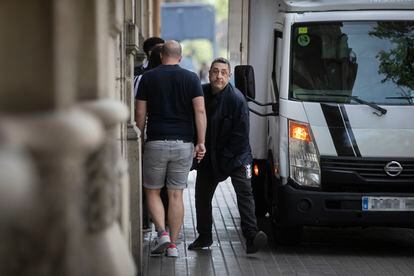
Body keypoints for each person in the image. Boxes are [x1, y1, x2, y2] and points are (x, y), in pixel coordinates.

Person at [188, 57, 268, 254]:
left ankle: (251, 236)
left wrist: (222, 162)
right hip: (209, 156)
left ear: (229, 76)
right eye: (215, 71)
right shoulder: (202, 93)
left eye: (223, 72)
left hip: (236, 157)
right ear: (209, 74)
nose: (219, 76)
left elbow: (240, 137)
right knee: (201, 196)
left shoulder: (237, 99)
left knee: (245, 193)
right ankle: (204, 236)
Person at [136, 40, 207, 258]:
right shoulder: (192, 77)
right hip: (183, 144)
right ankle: (174, 246)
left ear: (160, 55)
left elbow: (140, 114)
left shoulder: (148, 78)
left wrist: (139, 140)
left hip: (156, 142)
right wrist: (201, 141)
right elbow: (200, 111)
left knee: (153, 191)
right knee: (176, 194)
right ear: (180, 57)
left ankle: (161, 233)